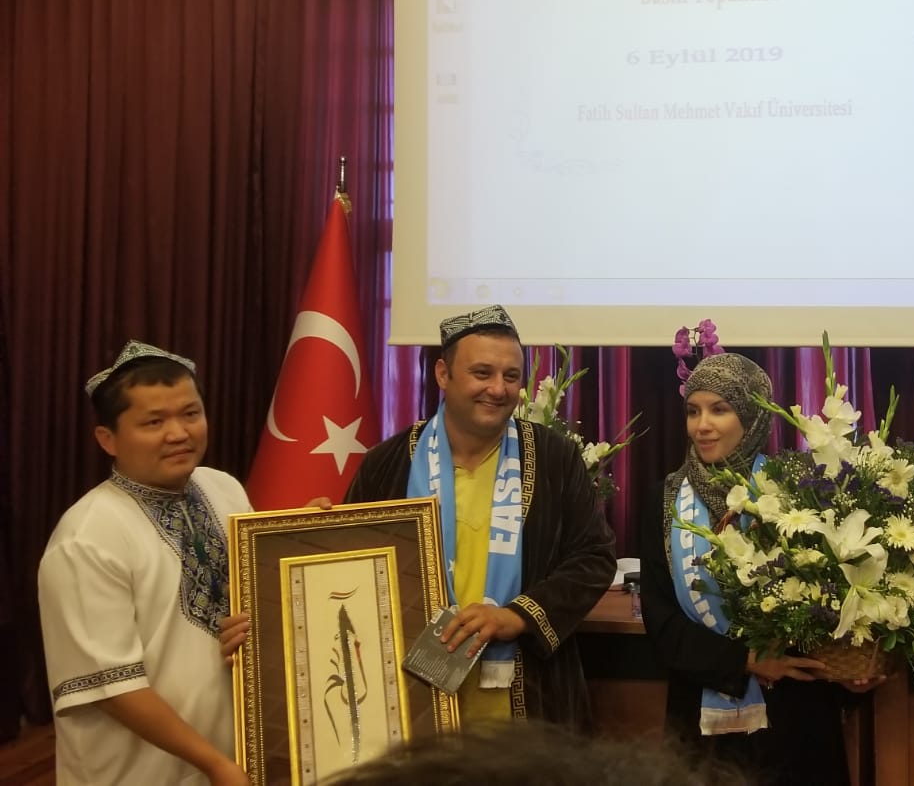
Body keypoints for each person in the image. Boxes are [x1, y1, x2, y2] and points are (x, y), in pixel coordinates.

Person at [344, 304, 616, 727]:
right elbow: (350, 567)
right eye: (482, 373)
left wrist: (517, 615)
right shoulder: (389, 463)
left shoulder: (553, 458)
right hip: (413, 698)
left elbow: (594, 558)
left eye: (511, 376)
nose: (498, 389)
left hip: (529, 700)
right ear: (443, 374)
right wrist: (317, 534)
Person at [39, 341, 254, 785]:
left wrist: (304, 539)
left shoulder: (223, 488)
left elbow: (249, 597)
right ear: (108, 439)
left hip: (236, 755)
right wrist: (215, 763)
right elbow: (111, 686)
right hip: (141, 772)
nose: (178, 433)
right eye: (154, 422)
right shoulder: (86, 539)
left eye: (190, 413)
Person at [640, 352, 859, 785]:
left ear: (752, 417)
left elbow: (830, 602)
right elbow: (660, 619)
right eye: (693, 411)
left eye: (719, 409)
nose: (702, 425)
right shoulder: (663, 499)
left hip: (793, 713)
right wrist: (746, 660)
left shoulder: (797, 491)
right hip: (702, 721)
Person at [323, 719, 752, 786]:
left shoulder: (555, 475)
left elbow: (589, 561)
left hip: (520, 675)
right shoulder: (385, 473)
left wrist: (519, 615)